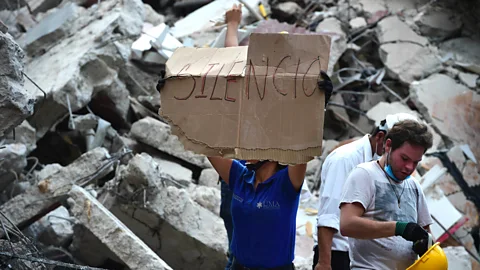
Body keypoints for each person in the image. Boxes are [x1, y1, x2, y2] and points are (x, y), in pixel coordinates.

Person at [312, 113, 419, 270]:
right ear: (381, 138)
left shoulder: (386, 169)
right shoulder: (345, 159)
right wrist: (324, 263)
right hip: (338, 255)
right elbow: (329, 215)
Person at [339, 119, 434, 270]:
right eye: (404, 159)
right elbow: (347, 225)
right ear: (388, 145)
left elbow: (427, 234)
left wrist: (425, 244)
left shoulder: (414, 186)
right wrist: (399, 228)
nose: (409, 167)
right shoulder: (365, 174)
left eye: (416, 162)